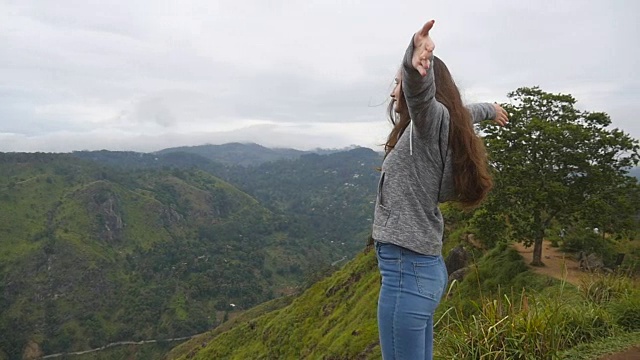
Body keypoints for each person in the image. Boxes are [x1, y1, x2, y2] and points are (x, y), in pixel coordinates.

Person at [372, 19, 509, 360]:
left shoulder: (430, 122)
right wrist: (489, 110)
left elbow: (422, 98)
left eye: (397, 84)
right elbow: (462, 112)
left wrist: (416, 65)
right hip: (421, 267)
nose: (393, 92)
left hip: (406, 270)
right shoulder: (443, 124)